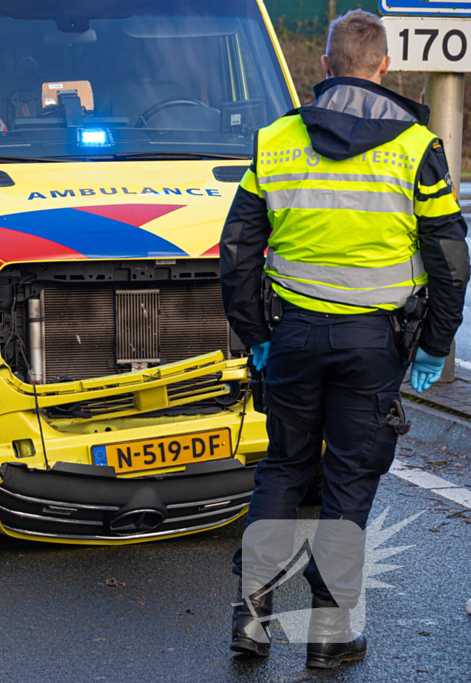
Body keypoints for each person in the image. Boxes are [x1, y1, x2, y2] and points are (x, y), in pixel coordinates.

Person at [220, 10, 469, 669]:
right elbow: (449, 258)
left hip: (294, 336)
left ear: (323, 68)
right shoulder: (415, 147)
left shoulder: (275, 140)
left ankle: (251, 621)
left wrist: (255, 334)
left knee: (283, 466)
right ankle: (329, 636)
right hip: (373, 344)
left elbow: (237, 249)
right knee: (349, 478)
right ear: (384, 67)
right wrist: (435, 345)